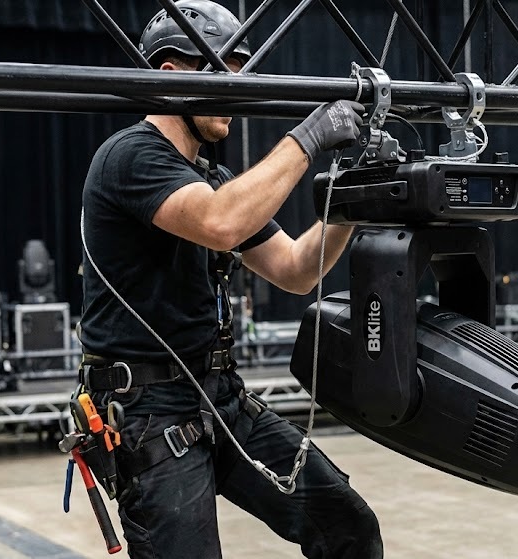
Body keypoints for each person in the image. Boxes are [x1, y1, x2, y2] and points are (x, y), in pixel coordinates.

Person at [77, 2, 383, 558]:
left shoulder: (211, 177)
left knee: (347, 526)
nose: (237, 94)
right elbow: (221, 222)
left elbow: (295, 269)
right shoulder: (128, 158)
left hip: (219, 399)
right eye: (222, 75)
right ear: (171, 78)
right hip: (151, 413)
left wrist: (351, 199)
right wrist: (308, 138)